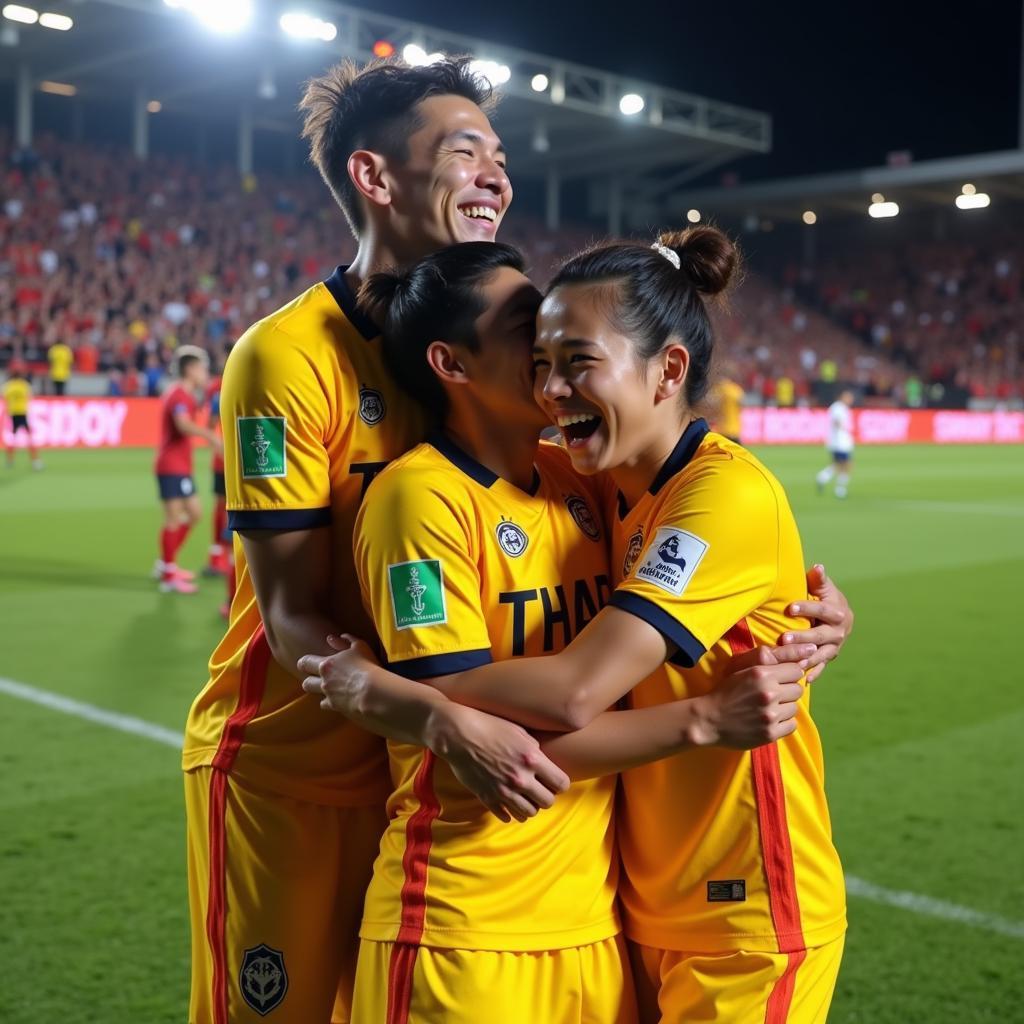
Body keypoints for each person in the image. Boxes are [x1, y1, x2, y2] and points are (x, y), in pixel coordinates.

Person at [184, 56, 853, 1024]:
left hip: (473, 785)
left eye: (501, 154)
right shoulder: (284, 358)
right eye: (466, 152)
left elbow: (681, 515)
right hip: (302, 763)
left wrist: (801, 612)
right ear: (375, 178)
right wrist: (427, 713)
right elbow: (289, 613)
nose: (498, 174)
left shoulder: (534, 402)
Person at [306, 227, 848, 1023]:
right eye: (537, 356)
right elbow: (531, 734)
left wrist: (407, 694)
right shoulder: (593, 488)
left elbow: (572, 695)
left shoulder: (688, 492)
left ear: (668, 370)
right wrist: (427, 711)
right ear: (452, 367)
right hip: (582, 907)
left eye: (571, 358)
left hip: (739, 904)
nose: (550, 385)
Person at [154, 345, 220, 594]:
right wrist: (211, 437)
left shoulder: (185, 395)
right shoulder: (179, 395)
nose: (206, 372)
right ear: (190, 369)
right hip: (171, 465)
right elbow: (182, 426)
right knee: (174, 518)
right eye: (202, 367)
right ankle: (168, 573)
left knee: (194, 513)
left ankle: (166, 563)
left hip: (180, 465)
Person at [816, 387, 855, 498]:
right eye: (848, 397)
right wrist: (841, 431)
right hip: (840, 442)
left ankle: (822, 477)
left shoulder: (841, 408)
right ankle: (840, 490)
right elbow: (836, 421)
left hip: (840, 441)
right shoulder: (838, 408)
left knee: (838, 464)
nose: (850, 399)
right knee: (846, 465)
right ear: (842, 396)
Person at [3, 369, 43, 470]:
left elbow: (5, 398)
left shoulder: (8, 386)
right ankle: (35, 461)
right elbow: (29, 396)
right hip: (23, 413)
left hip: (13, 414)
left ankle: (10, 460)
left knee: (12, 439)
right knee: (30, 439)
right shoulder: (24, 385)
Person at [707, 364, 744, 443]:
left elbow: (710, 405)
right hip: (734, 430)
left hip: (720, 430)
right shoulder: (736, 390)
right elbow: (742, 404)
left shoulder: (716, 390)